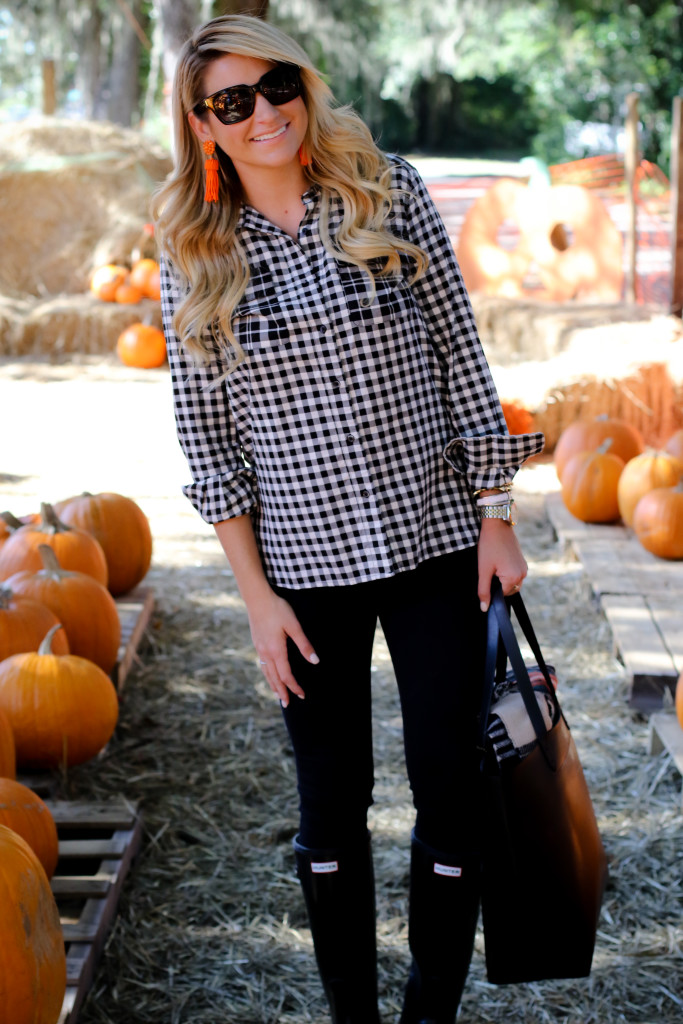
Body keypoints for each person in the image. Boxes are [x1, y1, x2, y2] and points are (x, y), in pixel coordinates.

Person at [154, 14, 544, 1024]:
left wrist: (494, 513)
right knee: (330, 806)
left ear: (302, 84)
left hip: (433, 545)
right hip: (300, 571)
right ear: (201, 124)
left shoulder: (386, 191)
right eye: (230, 103)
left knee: (450, 787)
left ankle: (427, 1011)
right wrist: (254, 602)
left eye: (274, 86)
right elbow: (210, 446)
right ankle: (354, 1018)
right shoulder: (192, 252)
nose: (262, 114)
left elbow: (462, 357)